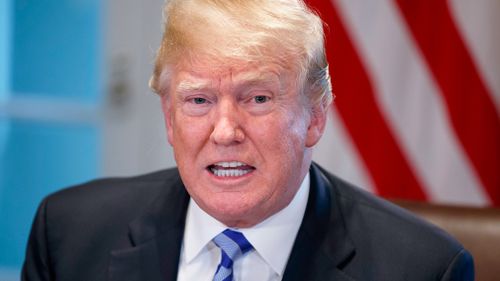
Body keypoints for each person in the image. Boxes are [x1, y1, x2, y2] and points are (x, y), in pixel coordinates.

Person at [22, 0, 474, 280]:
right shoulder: (68, 234)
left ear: (315, 116)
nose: (224, 132)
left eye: (257, 98)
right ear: (168, 117)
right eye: (198, 100)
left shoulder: (424, 269)